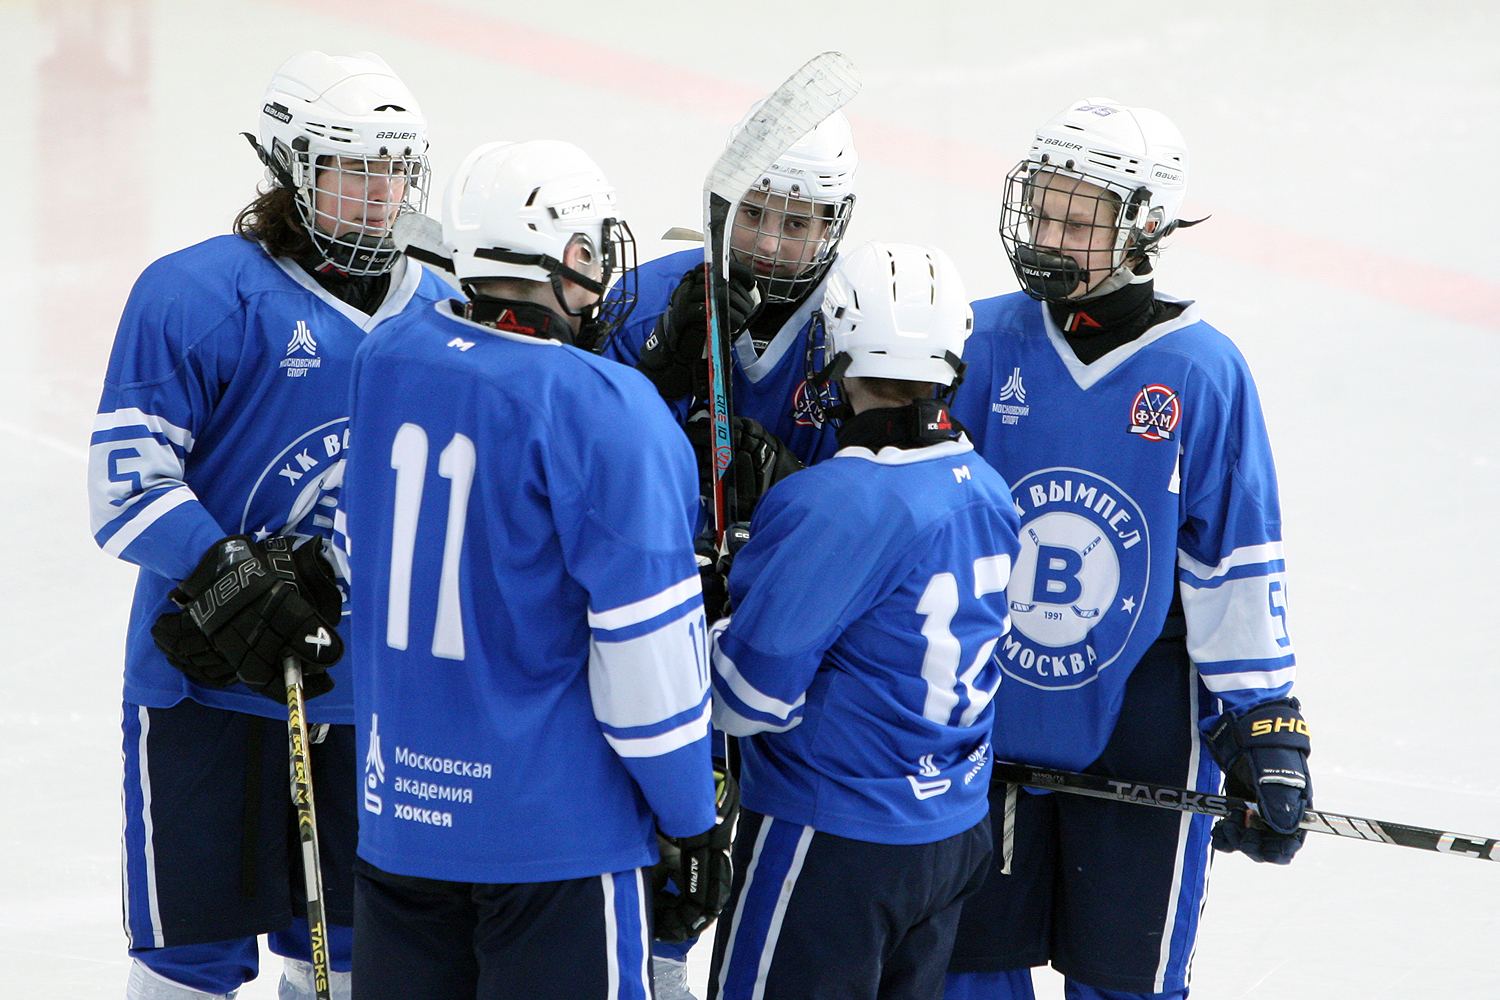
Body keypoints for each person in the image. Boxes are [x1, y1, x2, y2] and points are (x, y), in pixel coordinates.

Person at [88, 51, 450, 1000]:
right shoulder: (198, 295)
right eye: (351, 170)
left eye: (394, 171)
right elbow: (126, 485)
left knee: (356, 964)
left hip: (378, 704)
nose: (379, 197)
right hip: (201, 695)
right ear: (291, 166)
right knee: (188, 964)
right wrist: (228, 569)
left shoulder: (449, 307)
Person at [339, 139, 727, 1000]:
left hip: (399, 826)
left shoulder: (385, 355)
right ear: (570, 253)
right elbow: (645, 667)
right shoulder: (609, 410)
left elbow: (353, 548)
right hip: (557, 846)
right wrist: (692, 822)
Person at [944, 98, 1313, 1000]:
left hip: (1146, 718)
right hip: (988, 713)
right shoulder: (977, 340)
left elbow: (1234, 563)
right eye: (1044, 207)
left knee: (1127, 980)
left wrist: (1266, 727)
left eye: (1079, 219)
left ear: (1147, 224)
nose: (1049, 235)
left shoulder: (1201, 372)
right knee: (965, 974)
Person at [703, 241, 1022, 1000]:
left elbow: (746, 701)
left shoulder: (835, 501)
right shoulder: (987, 487)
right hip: (949, 836)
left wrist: (708, 610)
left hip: (834, 842)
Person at [604, 105, 859, 518]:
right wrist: (654, 377)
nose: (768, 245)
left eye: (796, 224)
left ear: (830, 225)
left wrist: (792, 483)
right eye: (753, 212)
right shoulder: (649, 299)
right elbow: (589, 462)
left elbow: (885, 509)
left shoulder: (865, 318)